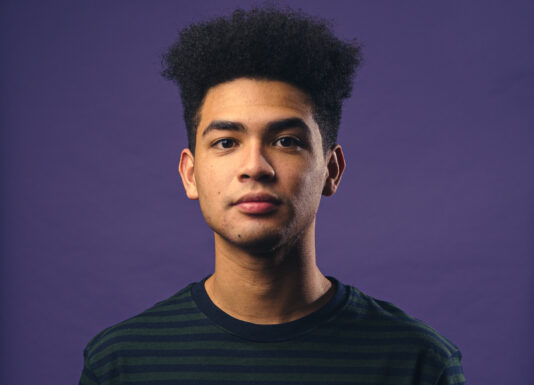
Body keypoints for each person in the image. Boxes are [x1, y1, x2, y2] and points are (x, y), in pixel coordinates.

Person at [79, 6, 466, 385]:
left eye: (286, 141)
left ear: (331, 170)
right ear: (190, 173)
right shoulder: (120, 364)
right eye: (227, 142)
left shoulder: (419, 363)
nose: (255, 166)